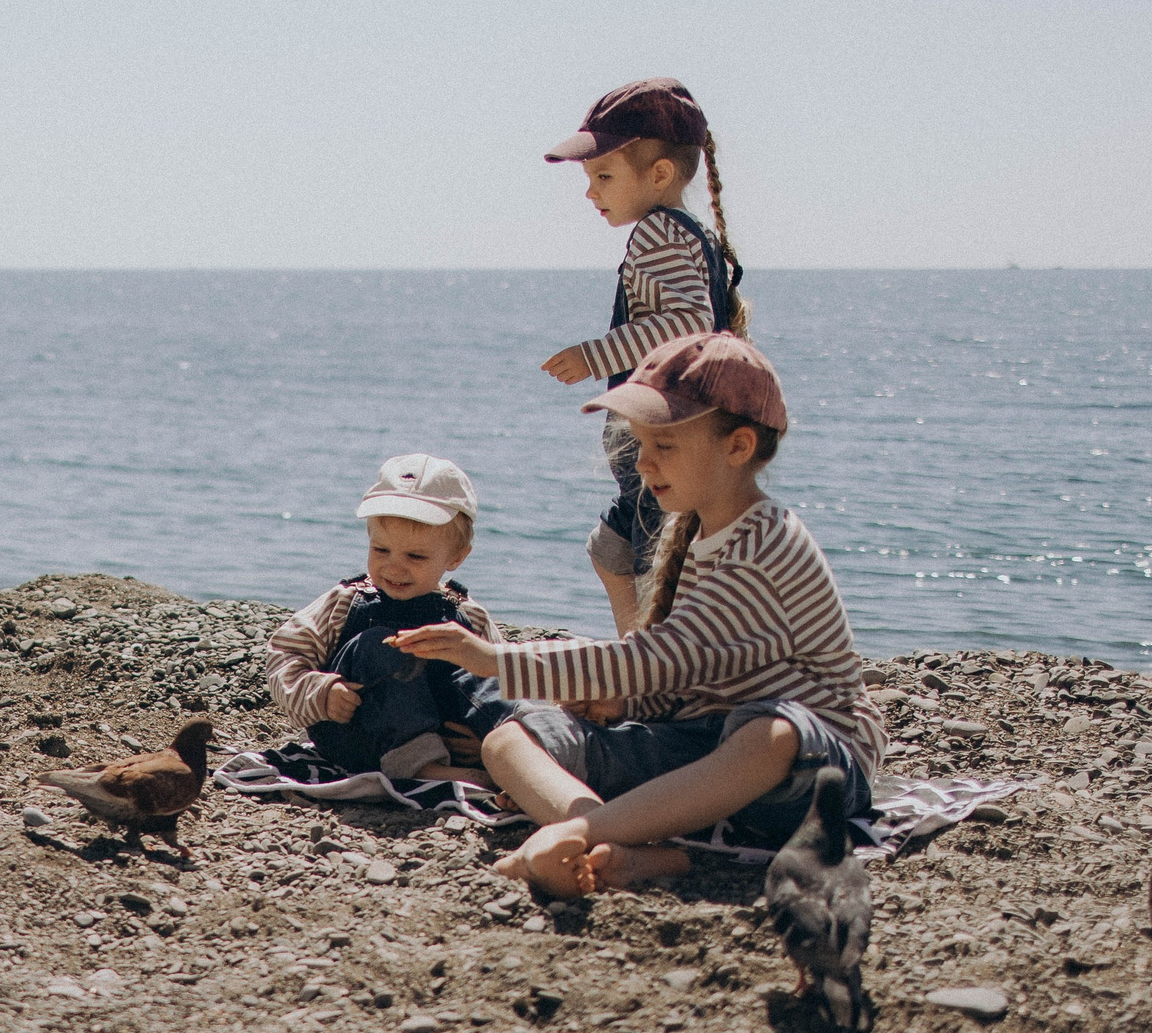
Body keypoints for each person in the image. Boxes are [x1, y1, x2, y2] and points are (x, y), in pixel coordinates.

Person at [393, 333, 886, 898]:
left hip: (811, 774)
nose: (643, 462)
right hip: (702, 752)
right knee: (510, 738)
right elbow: (686, 677)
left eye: (664, 446)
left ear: (738, 446)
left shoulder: (767, 544)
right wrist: (622, 704)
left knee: (769, 734)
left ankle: (578, 830)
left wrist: (495, 659)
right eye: (640, 443)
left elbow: (659, 659)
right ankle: (631, 848)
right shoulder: (693, 532)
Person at [540, 78, 747, 636]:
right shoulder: (690, 233)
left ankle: (659, 664)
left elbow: (688, 324)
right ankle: (639, 649)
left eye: (603, 176)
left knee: (661, 553)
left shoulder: (656, 233)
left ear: (658, 174)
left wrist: (594, 355)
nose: (591, 192)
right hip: (675, 426)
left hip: (666, 427)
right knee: (614, 545)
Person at [266, 455, 508, 780]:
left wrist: (486, 735)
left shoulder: (465, 613)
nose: (394, 567)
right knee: (380, 646)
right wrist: (321, 693)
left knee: (480, 663)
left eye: (415, 556)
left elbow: (501, 676)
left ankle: (506, 754)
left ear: (456, 556)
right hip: (358, 737)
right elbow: (284, 655)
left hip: (447, 741)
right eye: (381, 550)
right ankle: (426, 769)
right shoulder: (347, 601)